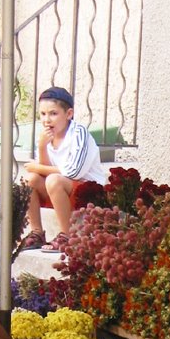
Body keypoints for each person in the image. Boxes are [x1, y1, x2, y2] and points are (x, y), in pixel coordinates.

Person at [19, 86, 108, 253]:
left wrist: (37, 166)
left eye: (53, 113)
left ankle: (67, 236)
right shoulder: (46, 136)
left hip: (87, 191)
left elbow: (73, 172)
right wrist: (42, 147)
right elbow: (42, 173)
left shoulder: (78, 134)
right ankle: (37, 233)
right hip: (60, 190)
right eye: (43, 114)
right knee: (30, 179)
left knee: (53, 180)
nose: (47, 120)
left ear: (68, 114)